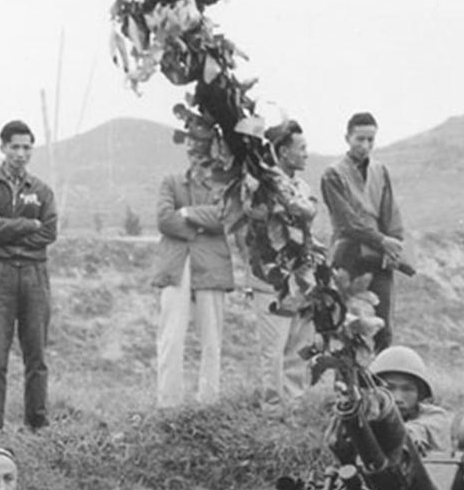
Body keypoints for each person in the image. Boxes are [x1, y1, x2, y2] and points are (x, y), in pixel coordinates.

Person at [0, 121, 58, 431]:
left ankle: (37, 424)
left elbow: (49, 232)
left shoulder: (42, 190)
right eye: (15, 147)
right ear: (3, 147)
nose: (21, 154)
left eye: (26, 147)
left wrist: (12, 231)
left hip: (35, 275)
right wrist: (27, 226)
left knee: (36, 354)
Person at [152, 147, 239, 407]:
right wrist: (202, 225)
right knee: (171, 335)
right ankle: (168, 403)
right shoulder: (171, 181)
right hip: (176, 265)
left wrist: (188, 213)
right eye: (192, 148)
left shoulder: (225, 186)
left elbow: (225, 217)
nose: (196, 155)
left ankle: (208, 401)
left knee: (212, 337)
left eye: (202, 149)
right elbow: (164, 219)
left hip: (211, 265)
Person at [320, 112, 406, 352]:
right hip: (348, 256)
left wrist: (394, 244)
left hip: (379, 258)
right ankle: (347, 386)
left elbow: (391, 213)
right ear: (347, 138)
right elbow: (347, 221)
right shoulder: (333, 174)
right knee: (346, 324)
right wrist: (382, 240)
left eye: (371, 140)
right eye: (360, 139)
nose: (365, 146)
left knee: (384, 325)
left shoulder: (380, 171)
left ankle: (378, 382)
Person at [244, 121, 316, 403]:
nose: (307, 154)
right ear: (284, 152)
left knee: (298, 346)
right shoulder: (261, 186)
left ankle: (294, 404)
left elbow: (308, 216)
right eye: (302, 148)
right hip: (271, 278)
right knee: (273, 349)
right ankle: (273, 410)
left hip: (300, 277)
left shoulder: (301, 186)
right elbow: (255, 218)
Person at [369, 345, 453, 454]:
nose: (397, 398)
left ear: (420, 394)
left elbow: (420, 429)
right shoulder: (364, 416)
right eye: (389, 388)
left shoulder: (436, 416)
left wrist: (407, 435)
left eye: (407, 389)